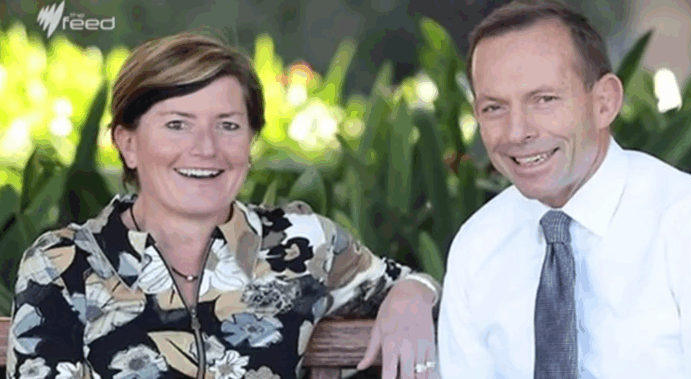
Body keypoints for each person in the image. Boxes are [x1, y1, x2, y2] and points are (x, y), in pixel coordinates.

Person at [6, 31, 441, 379]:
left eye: (228, 126)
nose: (206, 149)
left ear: (250, 144)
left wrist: (413, 296)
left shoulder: (302, 245)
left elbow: (407, 283)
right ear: (128, 143)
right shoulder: (63, 265)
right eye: (177, 124)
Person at [437, 0, 691, 378]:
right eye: (494, 108)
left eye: (544, 100)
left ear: (605, 102)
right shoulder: (478, 246)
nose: (517, 132)